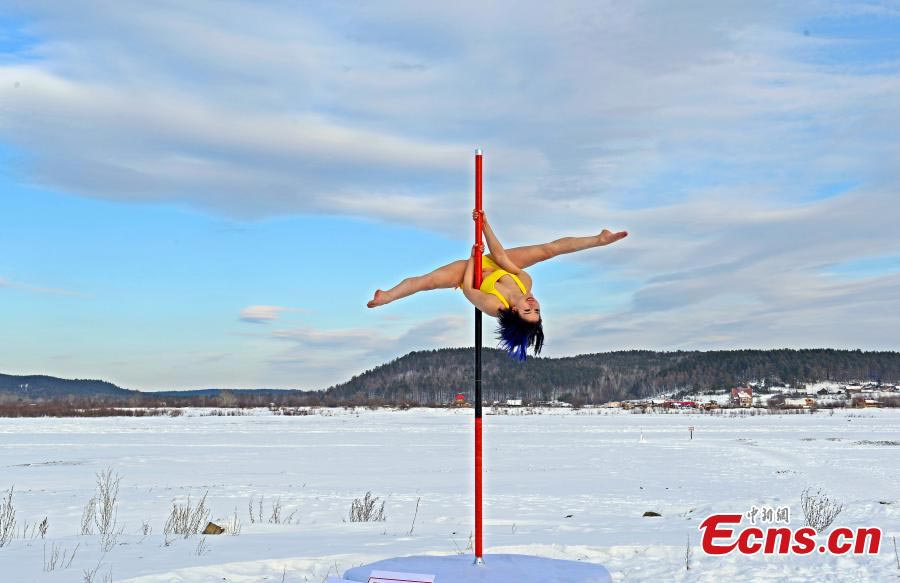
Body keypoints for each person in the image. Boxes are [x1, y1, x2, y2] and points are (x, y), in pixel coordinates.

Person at [367, 210, 628, 360]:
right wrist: (484, 225)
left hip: (472, 273)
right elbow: (502, 257)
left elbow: (469, 290)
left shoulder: (494, 305)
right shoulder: (525, 282)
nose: (533, 305)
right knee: (548, 250)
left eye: (528, 311)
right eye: (536, 310)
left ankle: (388, 297)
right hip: (498, 262)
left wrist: (473, 258)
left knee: (429, 282)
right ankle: (598, 239)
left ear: (514, 312)